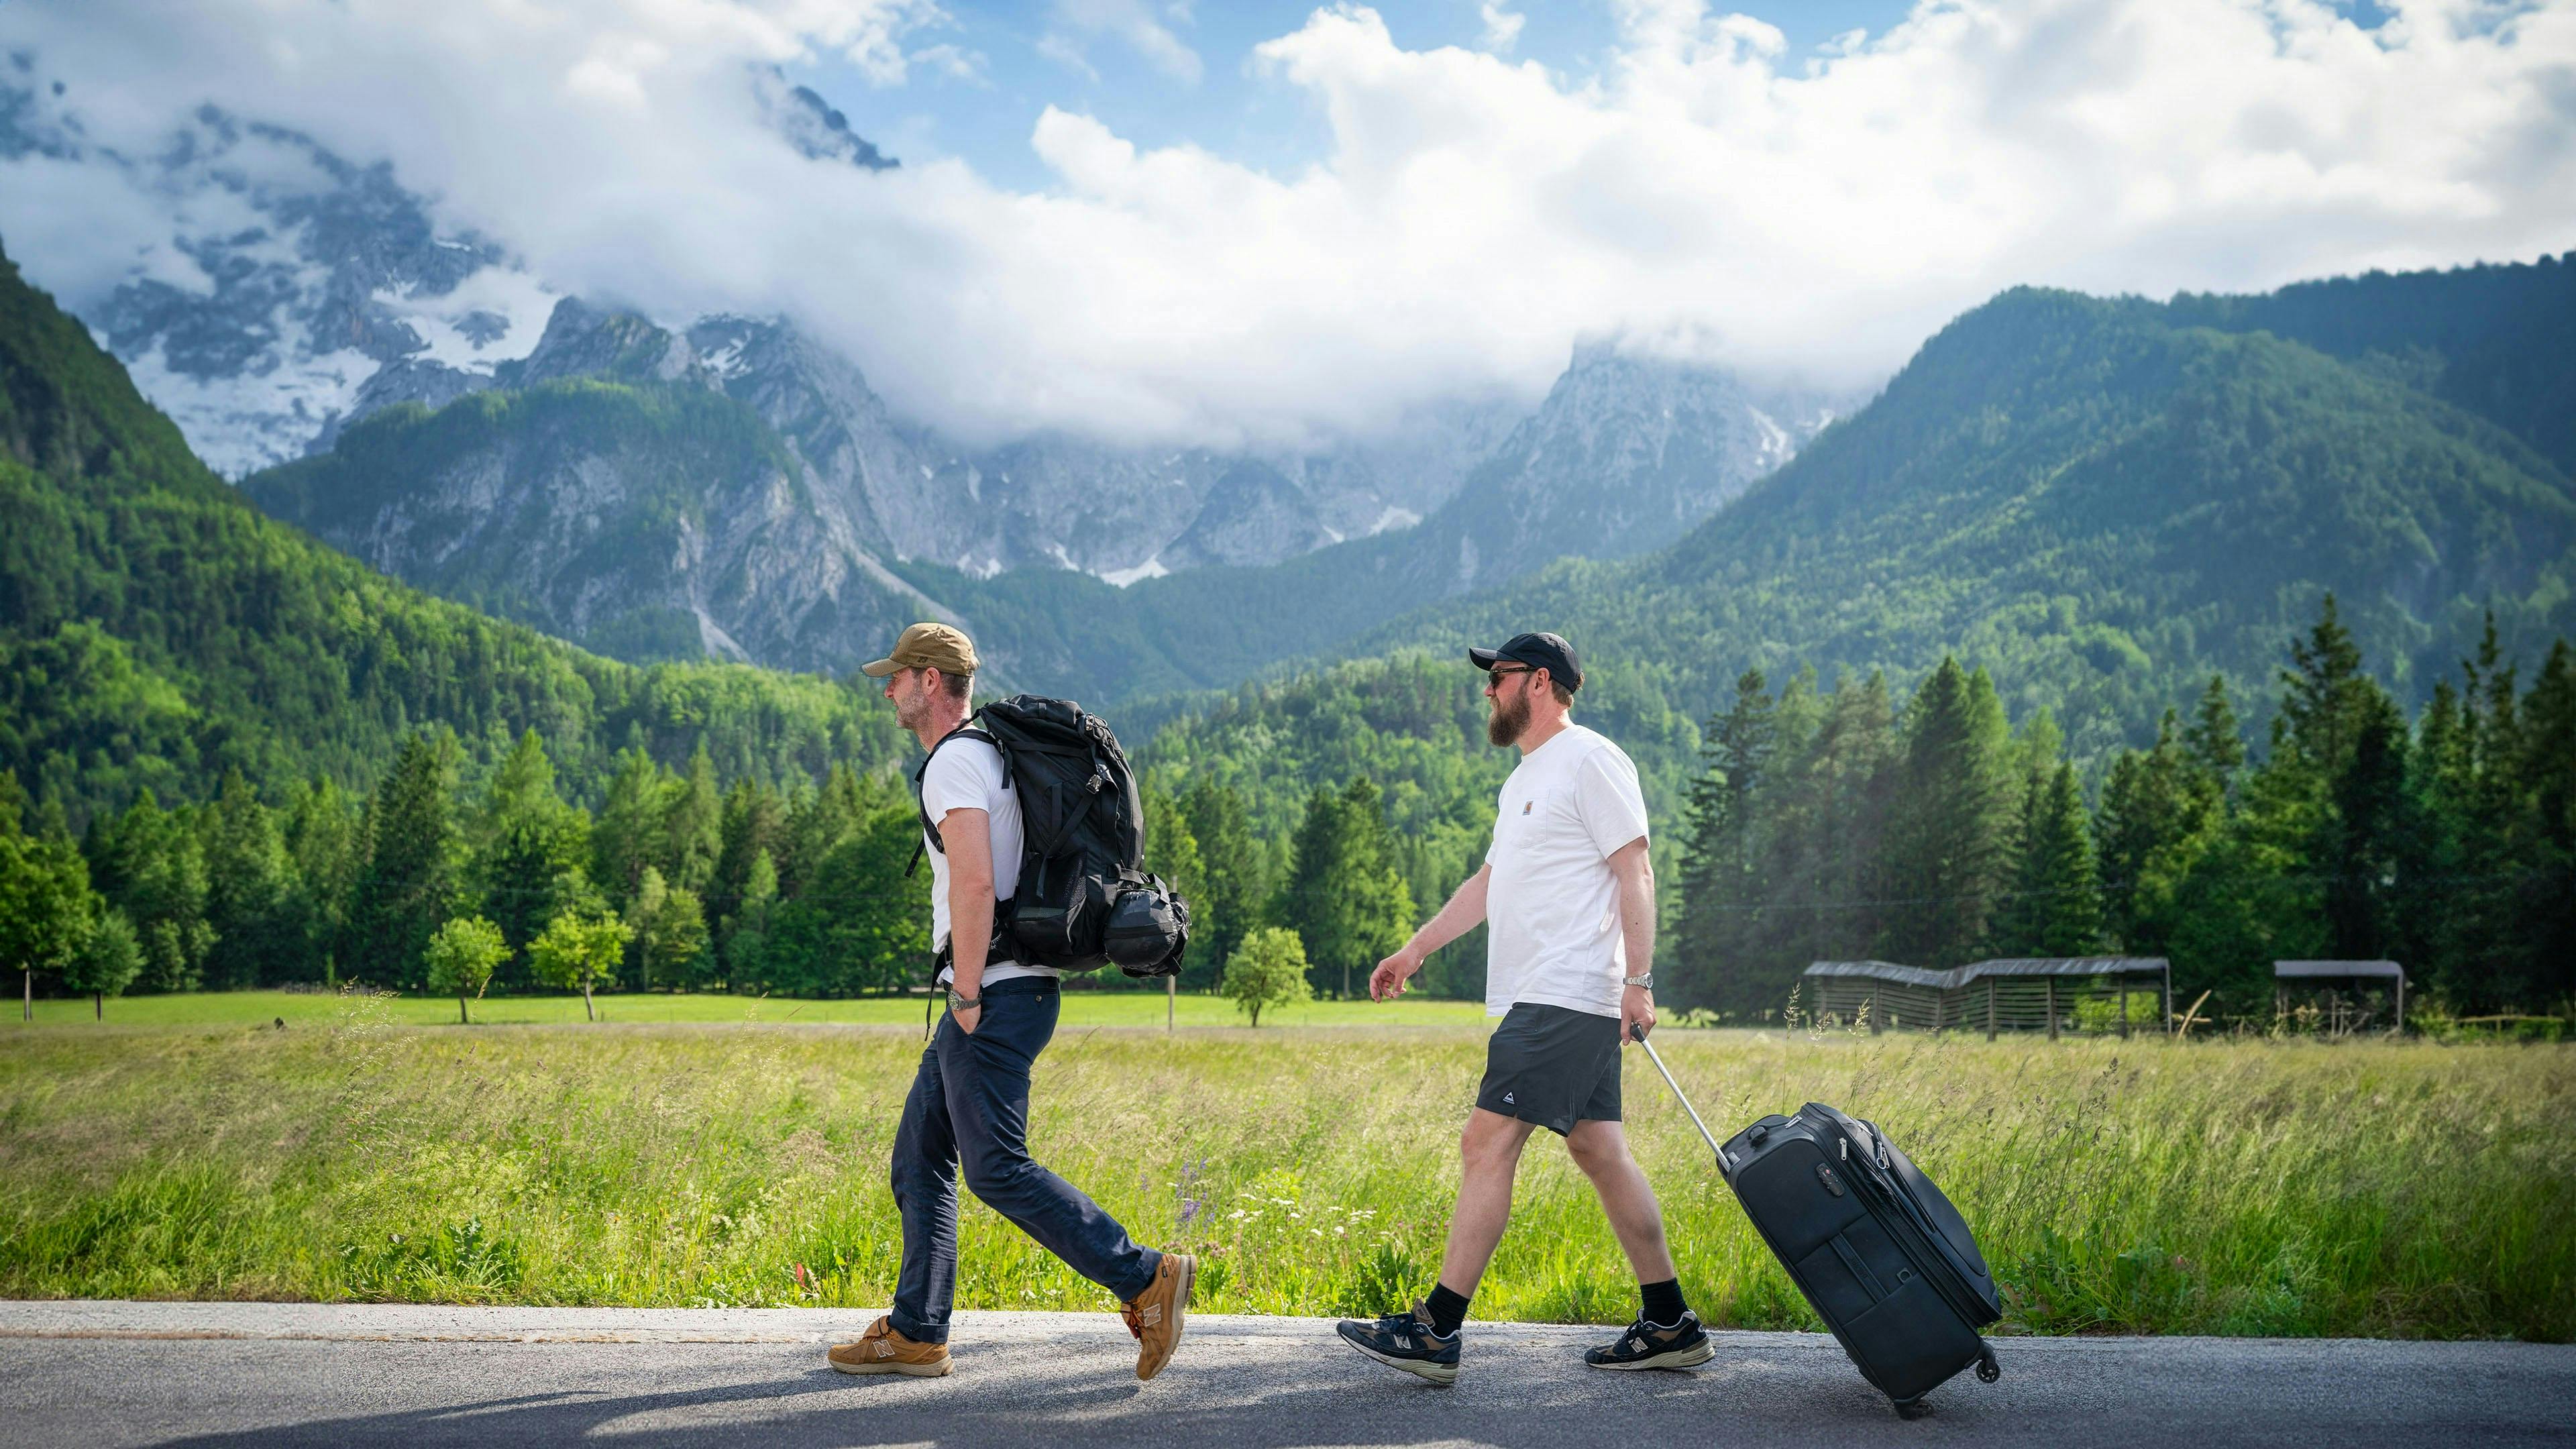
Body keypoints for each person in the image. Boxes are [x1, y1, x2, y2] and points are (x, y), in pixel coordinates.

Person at [1334, 631, 1710, 1385]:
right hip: (1552, 996)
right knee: (1599, 1150)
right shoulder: (1523, 781)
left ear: (1538, 683)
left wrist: (1639, 980)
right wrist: (1413, 951)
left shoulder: (1592, 759)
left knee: (1486, 1145)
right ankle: (1669, 1322)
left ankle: (1436, 1330)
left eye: (1497, 678)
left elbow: (1635, 869)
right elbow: (1485, 886)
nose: (1487, 692)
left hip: (1566, 992)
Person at [827, 622, 1193, 1381]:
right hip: (1016, 987)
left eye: (896, 677)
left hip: (990, 993)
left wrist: (964, 993)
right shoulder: (992, 758)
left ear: (930, 681)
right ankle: (917, 1330)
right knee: (921, 1157)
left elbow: (970, 882)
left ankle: (1145, 1276)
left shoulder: (954, 765)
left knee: (995, 1168)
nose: (888, 690)